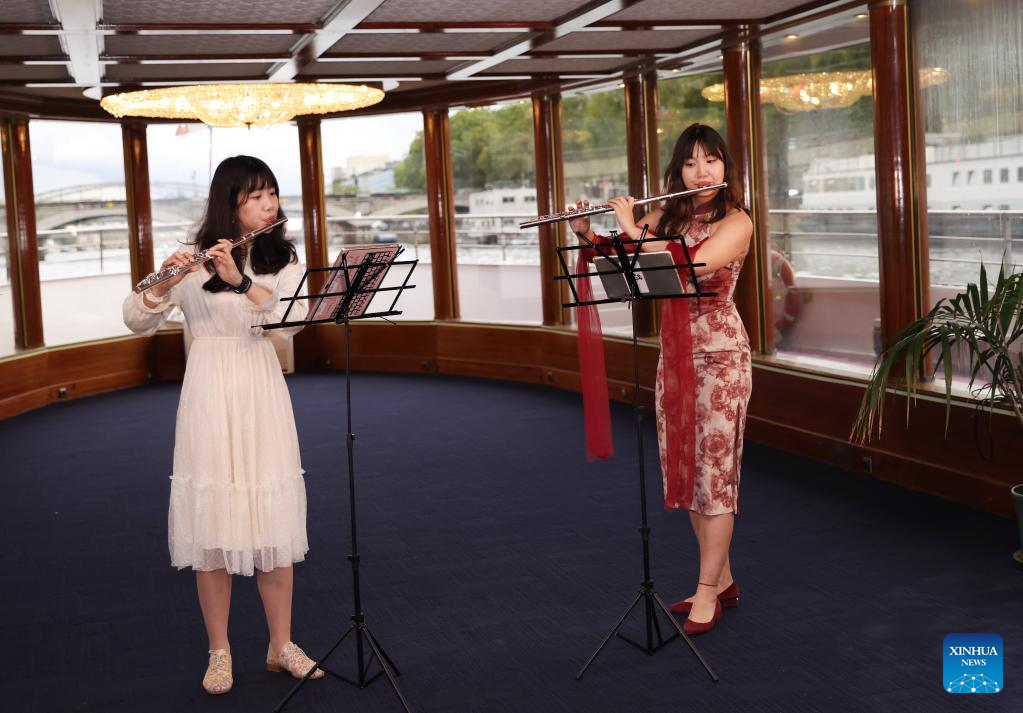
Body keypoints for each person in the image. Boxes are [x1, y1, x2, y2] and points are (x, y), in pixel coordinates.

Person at [123, 155, 324, 694]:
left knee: (272, 522)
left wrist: (240, 282)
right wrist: (163, 284)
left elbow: (291, 322)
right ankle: (220, 651)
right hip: (209, 391)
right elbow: (135, 320)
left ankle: (281, 645)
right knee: (212, 529)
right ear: (229, 202)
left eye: (273, 194)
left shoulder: (283, 259)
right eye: (257, 196)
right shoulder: (194, 257)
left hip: (260, 385)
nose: (269, 205)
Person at [569, 123, 753, 636]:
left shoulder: (737, 221)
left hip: (720, 355)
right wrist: (587, 232)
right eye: (691, 163)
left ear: (725, 165)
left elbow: (693, 266)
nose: (701, 172)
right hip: (674, 356)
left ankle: (706, 591)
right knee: (691, 472)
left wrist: (633, 229)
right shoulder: (668, 216)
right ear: (678, 170)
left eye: (711, 160)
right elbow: (621, 258)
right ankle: (723, 580)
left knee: (716, 476)